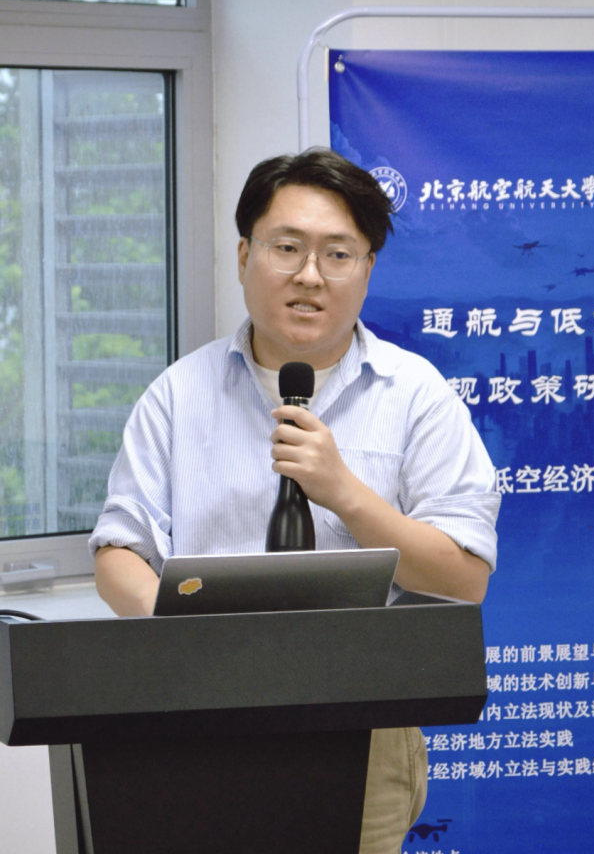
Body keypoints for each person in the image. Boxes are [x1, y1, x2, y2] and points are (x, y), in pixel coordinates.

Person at [90, 148, 501, 854]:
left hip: (364, 723)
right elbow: (118, 551)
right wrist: (193, 640)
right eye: (287, 248)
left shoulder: (417, 395)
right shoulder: (179, 394)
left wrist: (344, 493)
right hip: (200, 716)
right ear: (245, 254)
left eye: (338, 254)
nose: (310, 275)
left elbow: (464, 578)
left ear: (367, 269)